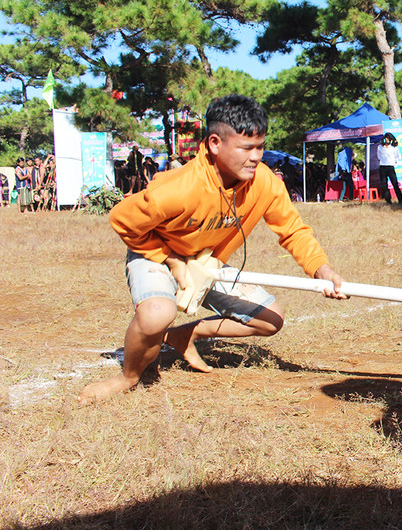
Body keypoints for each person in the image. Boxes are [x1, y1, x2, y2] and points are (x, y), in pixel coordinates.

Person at [79, 94, 347, 402]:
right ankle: (129, 376)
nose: (256, 157)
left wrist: (321, 269)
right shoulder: (178, 188)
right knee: (157, 314)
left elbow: (293, 230)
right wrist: (171, 259)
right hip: (156, 252)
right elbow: (123, 219)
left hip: (205, 262)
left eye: (260, 147)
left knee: (271, 319)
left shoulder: (265, 183)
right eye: (246, 148)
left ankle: (185, 334)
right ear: (215, 143)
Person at [377, 133, 402, 204]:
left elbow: (397, 156)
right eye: (386, 138)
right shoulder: (380, 147)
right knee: (384, 185)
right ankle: (388, 200)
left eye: (389, 138)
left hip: (390, 167)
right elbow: (379, 157)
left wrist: (393, 162)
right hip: (382, 167)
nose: (387, 139)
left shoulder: (394, 148)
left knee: (395, 183)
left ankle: (400, 200)